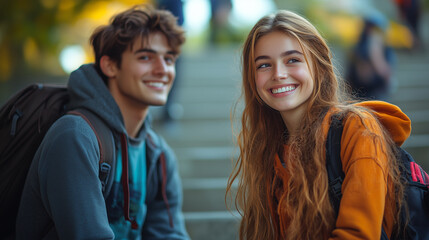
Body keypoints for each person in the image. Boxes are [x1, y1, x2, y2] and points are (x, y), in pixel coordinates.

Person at [226, 10, 410, 240]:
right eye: (264, 65)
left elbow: (358, 235)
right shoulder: (269, 151)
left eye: (292, 60)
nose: (279, 74)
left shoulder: (359, 130)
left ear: (319, 66)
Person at [16, 5, 189, 240]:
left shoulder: (157, 154)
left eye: (169, 59)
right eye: (146, 57)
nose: (162, 70)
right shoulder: (75, 136)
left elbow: (169, 235)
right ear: (110, 65)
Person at [346, 16, 395, 101]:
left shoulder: (385, 48)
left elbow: (385, 72)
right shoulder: (359, 47)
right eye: (369, 27)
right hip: (360, 94)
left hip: (376, 93)